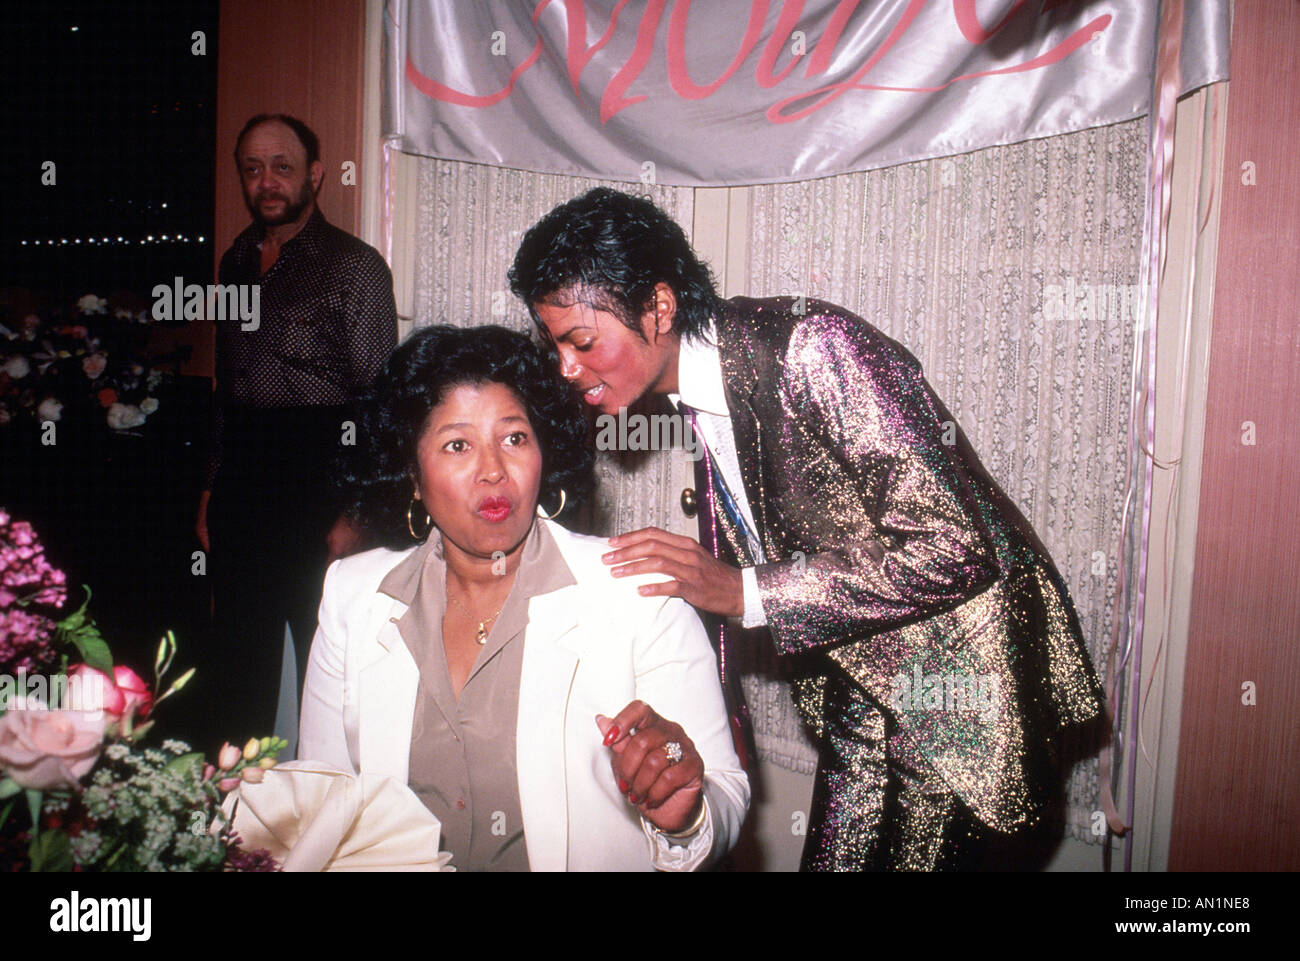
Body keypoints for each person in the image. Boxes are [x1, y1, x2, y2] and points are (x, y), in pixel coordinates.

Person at [508, 187, 1106, 871]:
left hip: (959, 711)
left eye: (581, 341)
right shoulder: (700, 400)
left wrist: (745, 591)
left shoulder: (811, 349)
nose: (566, 366)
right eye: (555, 345)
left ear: (659, 307)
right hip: (860, 698)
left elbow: (955, 546)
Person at [297, 325, 749, 871]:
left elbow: (722, 793)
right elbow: (321, 804)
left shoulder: (637, 591)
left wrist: (689, 816)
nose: (493, 470)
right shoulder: (352, 596)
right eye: (457, 445)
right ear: (412, 474)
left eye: (514, 438)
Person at [193, 114, 397, 751]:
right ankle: (235, 828)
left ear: (314, 173)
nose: (266, 181)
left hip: (321, 476)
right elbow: (228, 388)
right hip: (243, 477)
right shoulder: (234, 260)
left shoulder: (355, 267)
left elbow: (380, 402)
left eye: (281, 166)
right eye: (252, 169)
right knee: (236, 664)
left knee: (328, 671)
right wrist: (209, 492)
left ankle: (333, 834)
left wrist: (359, 511)